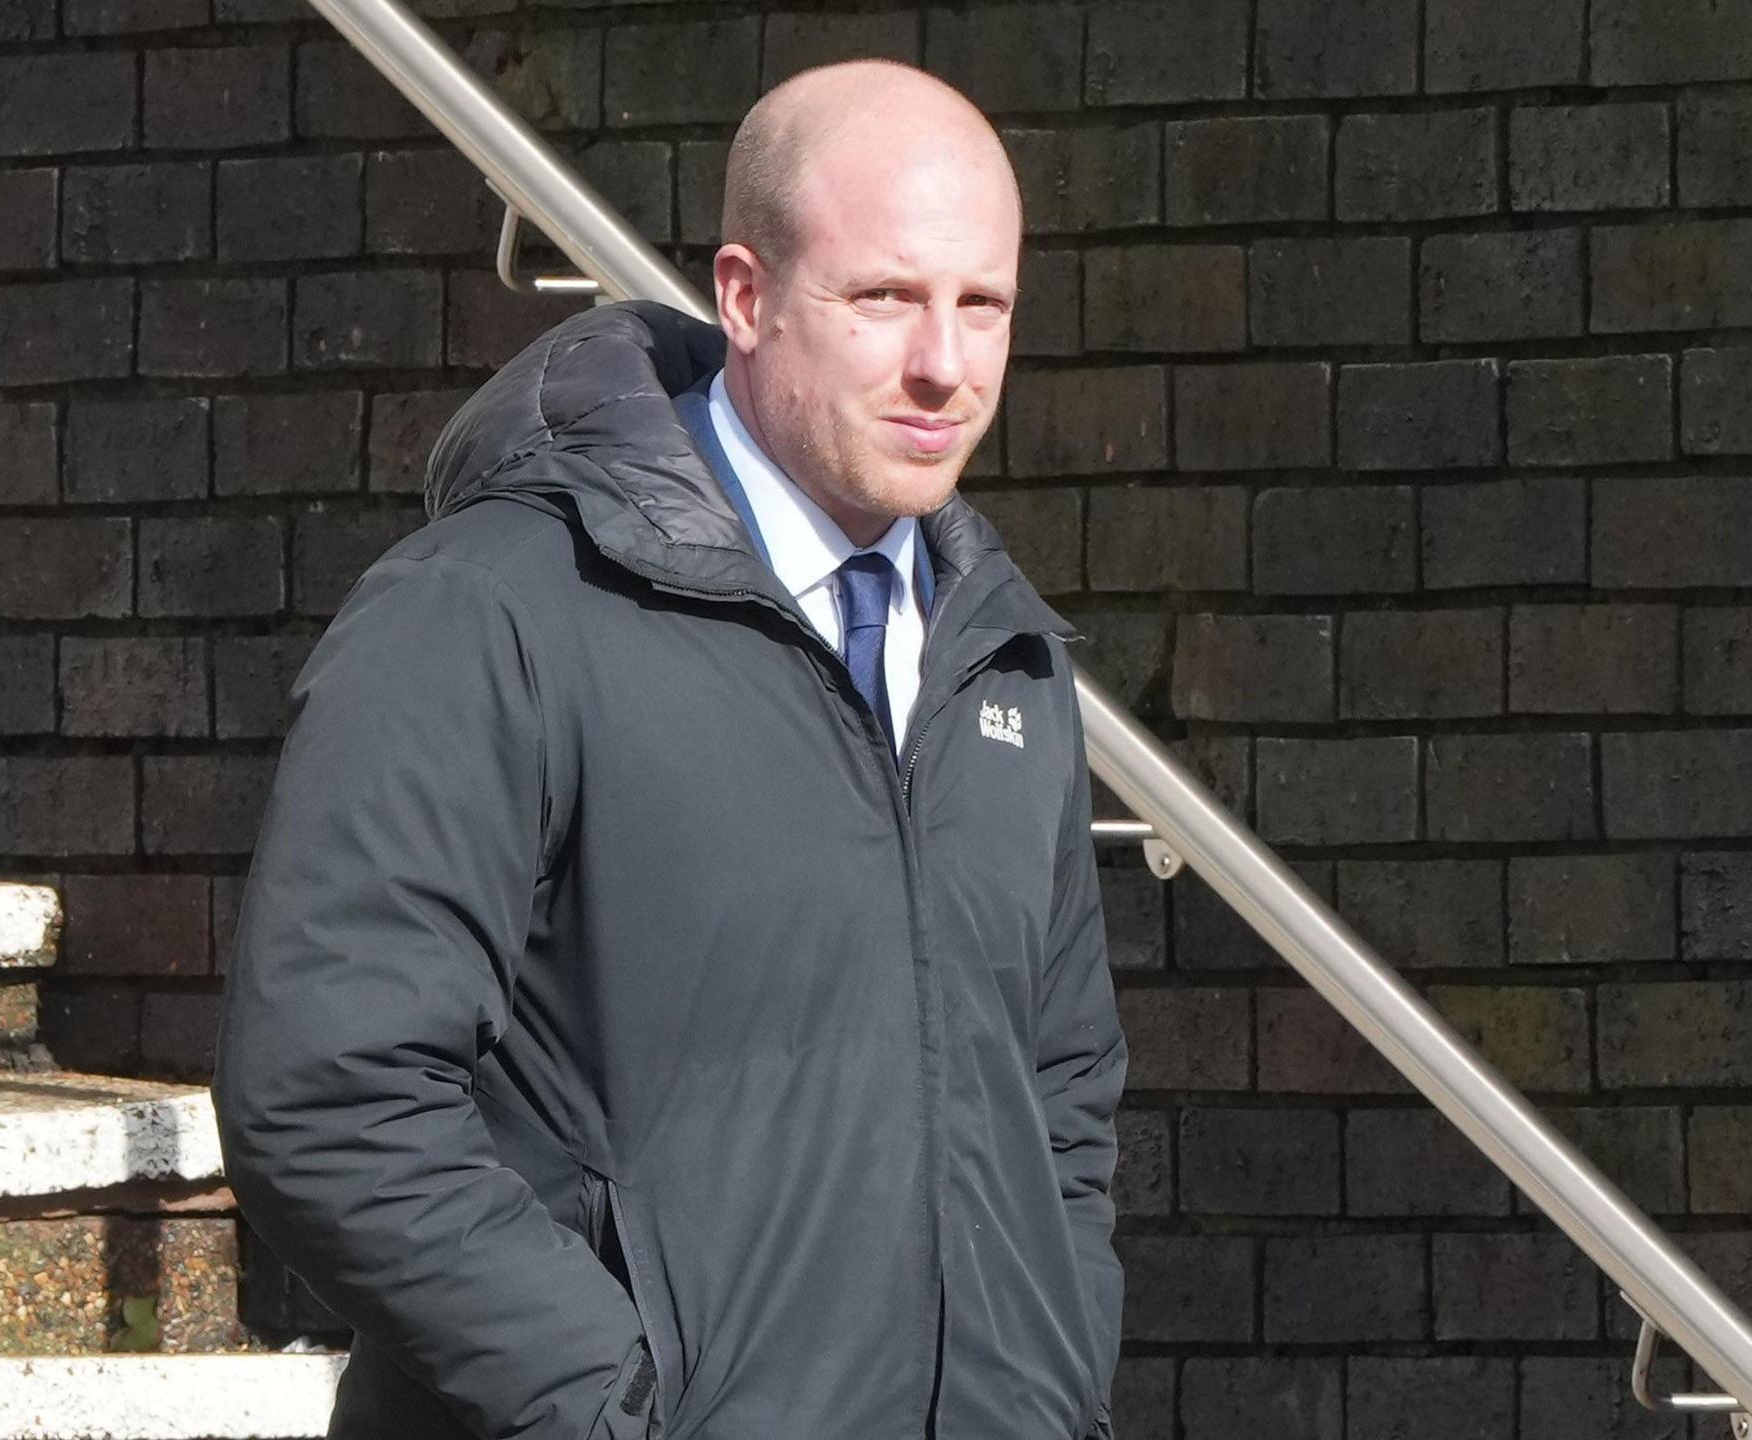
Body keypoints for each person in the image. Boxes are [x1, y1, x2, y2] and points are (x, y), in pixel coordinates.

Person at [213, 59, 1125, 1440]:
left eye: (982, 303)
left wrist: (1050, 1385)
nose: (945, 363)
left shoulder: (1005, 660)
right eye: (884, 297)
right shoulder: (491, 612)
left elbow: (1058, 1097)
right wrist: (623, 1406)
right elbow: (331, 1095)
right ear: (747, 298)